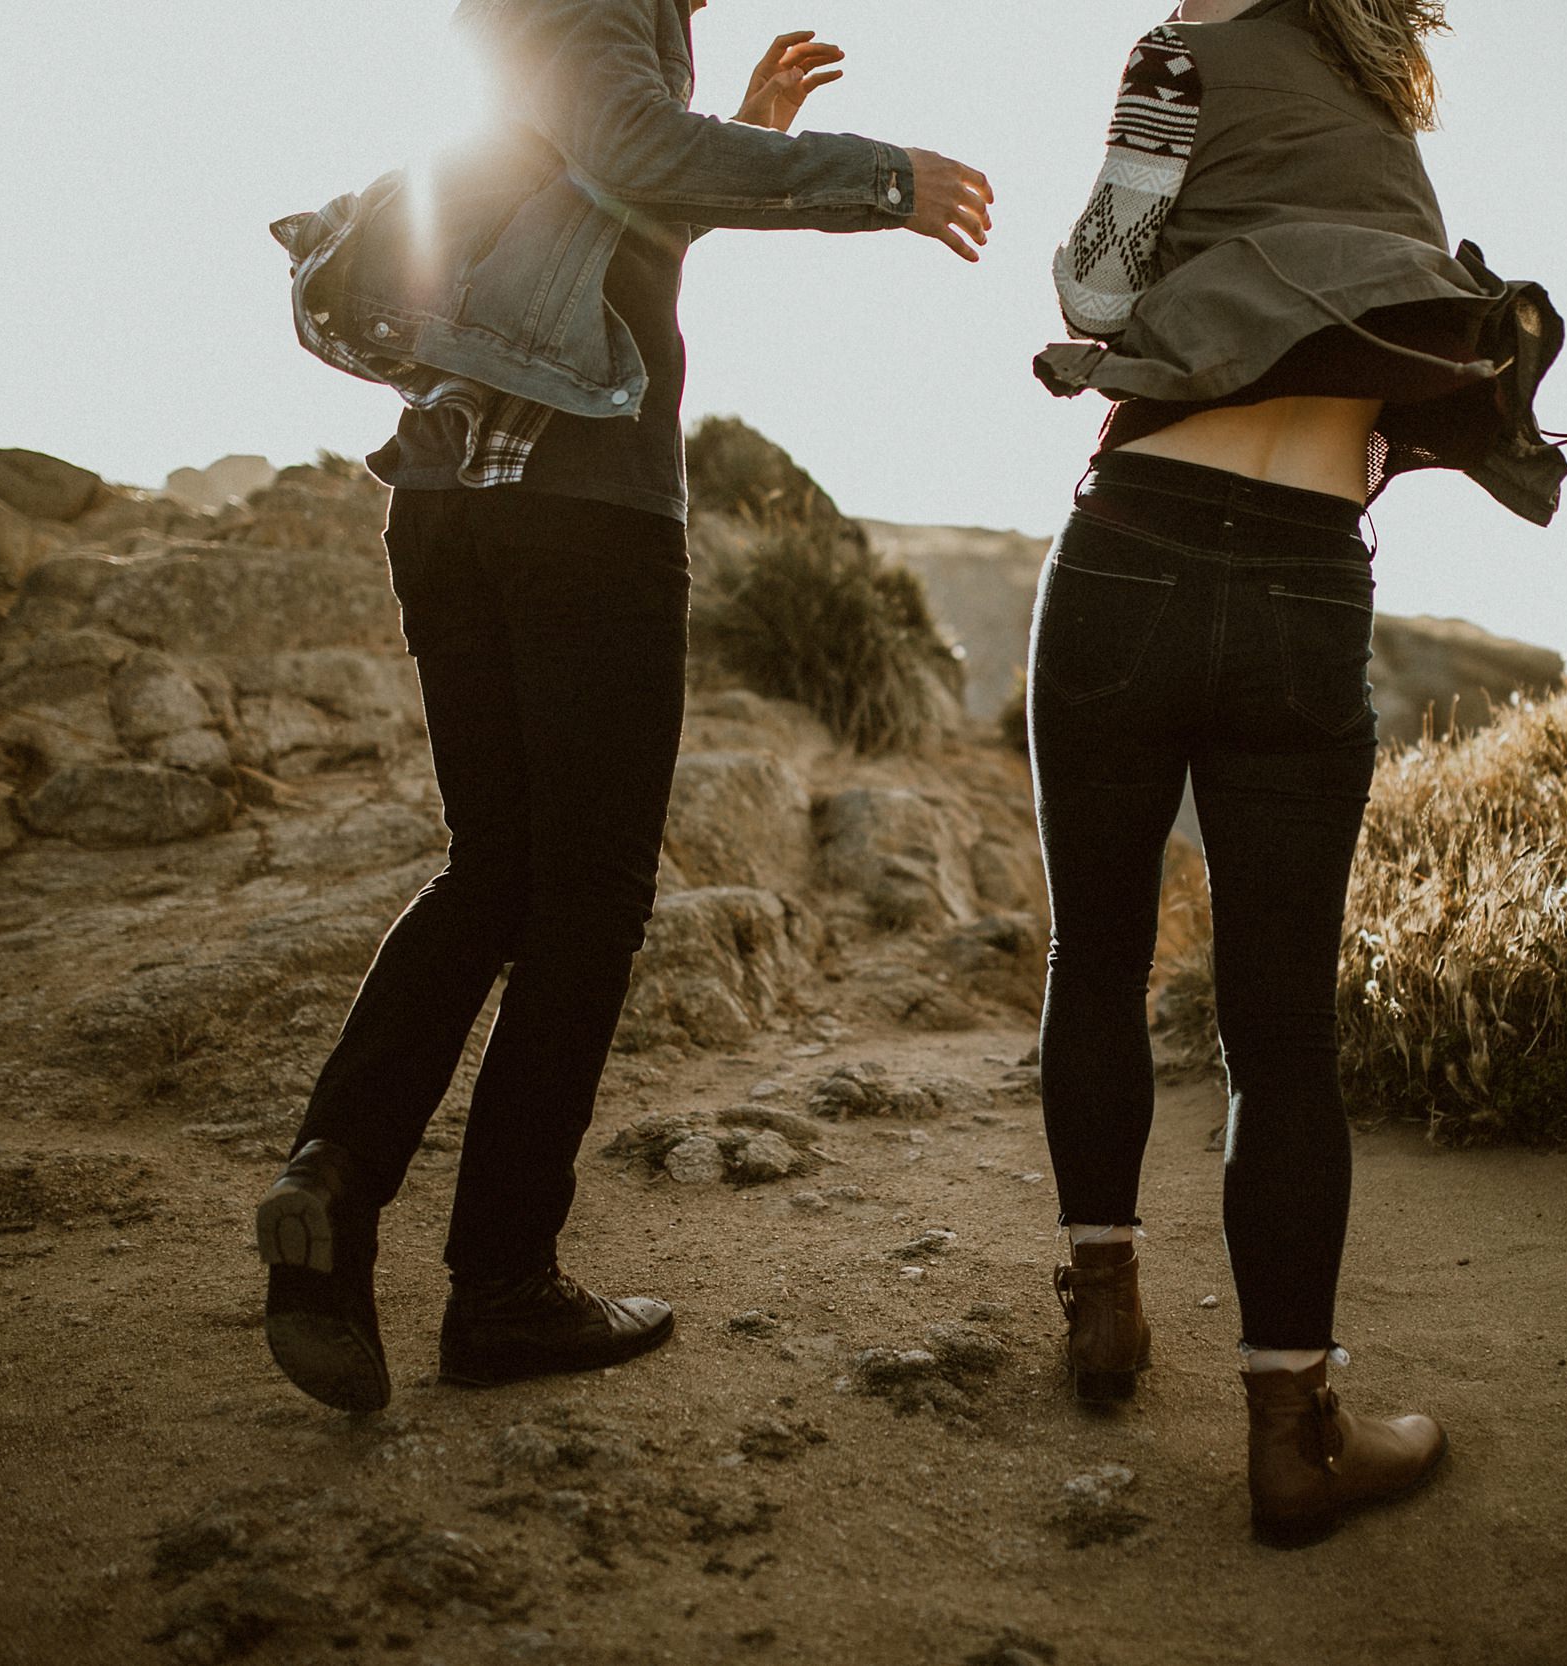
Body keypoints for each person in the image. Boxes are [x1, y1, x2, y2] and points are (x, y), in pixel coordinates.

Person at [256, 0, 993, 1415]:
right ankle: (505, 1285)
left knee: (498, 869)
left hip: (448, 503)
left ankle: (331, 1186)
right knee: (588, 898)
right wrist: (875, 177)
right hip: (579, 510)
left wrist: (749, 139)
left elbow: (597, 214)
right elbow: (640, 152)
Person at [1030, 0, 1567, 1545]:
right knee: (1282, 1027)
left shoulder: (1180, 54)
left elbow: (1093, 281)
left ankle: (1106, 1306)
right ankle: (1293, 1431)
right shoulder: (1375, 89)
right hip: (1301, 581)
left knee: (1099, 953)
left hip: (1131, 545)